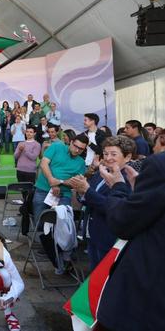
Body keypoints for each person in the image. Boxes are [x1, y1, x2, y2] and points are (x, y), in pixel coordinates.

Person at [94, 152, 165, 330]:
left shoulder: (159, 166)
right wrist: (140, 193)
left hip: (145, 298)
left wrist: (118, 187)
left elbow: (123, 222)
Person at [68, 136, 135, 270]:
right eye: (105, 153)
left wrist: (86, 190)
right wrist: (81, 191)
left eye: (113, 154)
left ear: (127, 157)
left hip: (109, 237)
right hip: (92, 233)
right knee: (94, 276)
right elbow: (89, 197)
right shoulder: (101, 173)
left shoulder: (129, 179)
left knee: (105, 277)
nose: (108, 158)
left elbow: (114, 207)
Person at [32, 134, 89, 223]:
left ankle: (56, 236)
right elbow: (43, 164)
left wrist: (59, 182)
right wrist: (51, 180)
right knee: (39, 221)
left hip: (64, 194)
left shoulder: (81, 163)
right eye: (75, 146)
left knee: (62, 223)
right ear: (71, 142)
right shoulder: (56, 146)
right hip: (43, 189)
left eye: (81, 149)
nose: (77, 150)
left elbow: (75, 183)